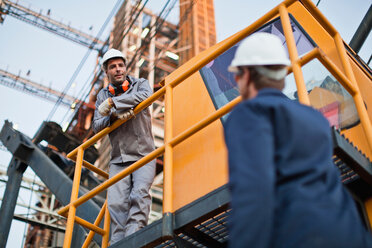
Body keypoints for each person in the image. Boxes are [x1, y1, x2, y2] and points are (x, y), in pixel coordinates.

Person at [224, 32, 372, 248]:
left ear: (246, 75)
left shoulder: (250, 113)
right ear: (282, 76)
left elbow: (253, 191)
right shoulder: (315, 118)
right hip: (349, 232)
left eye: (236, 76)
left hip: (298, 233)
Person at [92, 48, 155, 244]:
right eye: (113, 67)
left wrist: (113, 103)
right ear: (106, 71)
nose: (118, 69)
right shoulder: (102, 95)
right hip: (119, 160)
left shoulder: (140, 84)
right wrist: (112, 116)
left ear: (126, 68)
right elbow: (96, 125)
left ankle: (133, 241)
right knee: (117, 205)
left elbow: (145, 96)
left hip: (144, 154)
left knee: (139, 196)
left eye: (121, 65)